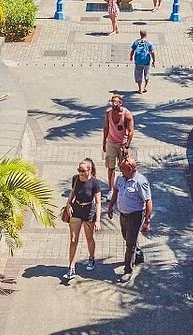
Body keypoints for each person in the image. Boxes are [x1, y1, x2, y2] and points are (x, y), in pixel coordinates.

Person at [107, 155, 152, 283]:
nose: (121, 171)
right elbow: (115, 191)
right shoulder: (120, 178)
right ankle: (137, 254)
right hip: (123, 214)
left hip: (135, 215)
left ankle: (128, 270)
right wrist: (110, 207)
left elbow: (148, 201)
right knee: (126, 236)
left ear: (131, 169)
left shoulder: (141, 182)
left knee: (130, 244)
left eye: (123, 169)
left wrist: (147, 220)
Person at [62, 158, 102, 280]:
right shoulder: (75, 179)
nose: (80, 173)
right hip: (76, 210)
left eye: (83, 170)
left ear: (89, 171)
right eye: (79, 170)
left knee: (89, 238)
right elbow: (72, 193)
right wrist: (68, 204)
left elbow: (98, 202)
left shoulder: (95, 183)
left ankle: (91, 258)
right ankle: (71, 267)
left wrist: (98, 220)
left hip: (89, 211)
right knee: (74, 240)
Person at [102, 95, 135, 191]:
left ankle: (123, 188)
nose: (114, 104)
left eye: (116, 102)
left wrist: (127, 145)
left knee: (124, 167)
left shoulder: (127, 114)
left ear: (121, 103)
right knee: (110, 167)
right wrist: (104, 142)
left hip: (122, 144)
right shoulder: (108, 113)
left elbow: (131, 131)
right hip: (111, 143)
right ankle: (111, 189)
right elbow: (106, 127)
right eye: (112, 102)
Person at [130, 29, 156, 94]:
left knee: (138, 74)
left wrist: (131, 57)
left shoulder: (136, 42)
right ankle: (146, 86)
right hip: (146, 61)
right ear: (146, 35)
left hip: (138, 61)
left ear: (140, 34)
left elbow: (132, 51)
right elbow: (152, 52)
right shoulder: (149, 43)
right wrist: (154, 60)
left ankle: (140, 89)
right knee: (146, 73)